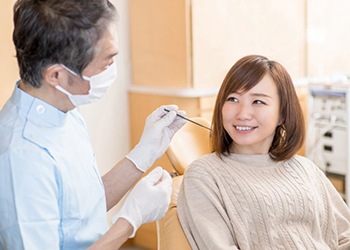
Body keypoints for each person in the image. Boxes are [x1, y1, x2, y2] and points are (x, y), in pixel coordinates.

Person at [0, 0, 186, 249]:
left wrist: (145, 152)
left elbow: (80, 213)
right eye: (106, 62)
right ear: (57, 75)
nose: (112, 69)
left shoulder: (63, 109)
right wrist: (129, 222)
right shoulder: (21, 158)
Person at [177, 55, 350, 249]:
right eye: (233, 99)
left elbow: (345, 235)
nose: (242, 114)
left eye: (258, 102)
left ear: (282, 114)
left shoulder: (306, 169)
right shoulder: (204, 176)